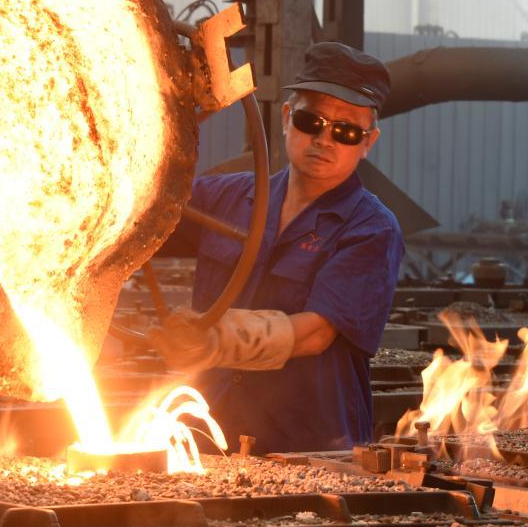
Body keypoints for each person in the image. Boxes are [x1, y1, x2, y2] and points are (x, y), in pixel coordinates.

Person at [150, 42, 405, 452]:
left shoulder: (372, 230)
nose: (324, 139)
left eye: (345, 131)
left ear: (368, 142)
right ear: (287, 118)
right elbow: (140, 224)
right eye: (311, 121)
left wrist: (213, 339)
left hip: (308, 450)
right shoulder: (224, 200)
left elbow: (315, 334)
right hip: (205, 434)